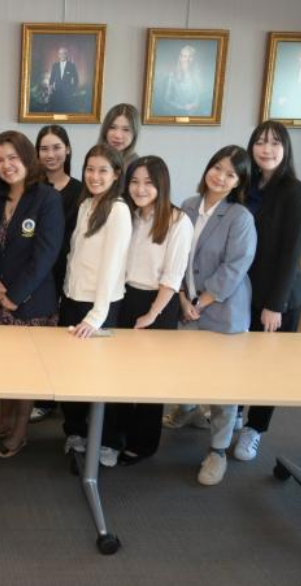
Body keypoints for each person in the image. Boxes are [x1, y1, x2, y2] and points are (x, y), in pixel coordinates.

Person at [167, 146, 257, 486]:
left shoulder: (240, 217)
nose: (220, 176)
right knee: (187, 367)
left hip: (222, 310)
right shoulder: (188, 205)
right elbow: (173, 254)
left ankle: (218, 450)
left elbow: (234, 268)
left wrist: (199, 302)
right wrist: (180, 298)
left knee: (222, 386)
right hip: (186, 302)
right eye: (217, 168)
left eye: (230, 174)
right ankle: (187, 408)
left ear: (239, 182)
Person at [0, 131, 64, 458]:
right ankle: (2, 421)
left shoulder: (47, 197)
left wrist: (15, 295)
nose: (6, 165)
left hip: (31, 302)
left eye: (13, 158)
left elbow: (46, 254)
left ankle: (19, 431)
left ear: (28, 158)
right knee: (2, 368)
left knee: (27, 371)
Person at [234, 121, 301, 462]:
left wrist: (274, 305)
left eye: (275, 143)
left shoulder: (294, 190)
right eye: (261, 142)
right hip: (245, 292)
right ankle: (234, 413)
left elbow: (292, 252)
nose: (267, 149)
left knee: (268, 367)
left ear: (286, 149)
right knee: (240, 360)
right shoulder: (247, 186)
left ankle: (255, 428)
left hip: (278, 299)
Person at [110, 156, 192, 465]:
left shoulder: (178, 220)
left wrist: (153, 314)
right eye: (134, 181)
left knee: (148, 378)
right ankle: (116, 434)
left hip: (158, 304)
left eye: (148, 182)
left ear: (161, 185)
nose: (140, 188)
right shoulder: (128, 216)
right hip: (125, 297)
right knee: (119, 373)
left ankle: (143, 443)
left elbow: (173, 275)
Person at [60, 144, 132, 467]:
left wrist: (96, 317)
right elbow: (76, 257)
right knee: (73, 375)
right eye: (90, 169)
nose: (95, 176)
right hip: (73, 300)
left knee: (102, 379)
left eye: (103, 170)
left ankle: (109, 441)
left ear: (116, 174)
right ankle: (75, 432)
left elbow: (112, 267)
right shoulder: (87, 203)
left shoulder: (118, 210)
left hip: (99, 308)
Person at [30, 125, 81, 422]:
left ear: (68, 150)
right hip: (37, 274)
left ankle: (64, 397)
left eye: (56, 147)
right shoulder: (31, 189)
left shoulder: (81, 189)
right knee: (40, 341)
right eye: (44, 149)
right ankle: (41, 399)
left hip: (70, 272)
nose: (50, 155)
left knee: (65, 339)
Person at [159, 45, 205, 116]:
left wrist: (195, 104)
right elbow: (166, 99)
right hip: (175, 113)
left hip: (193, 115)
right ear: (180, 58)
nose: (187, 59)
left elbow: (198, 96)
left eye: (190, 56)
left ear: (193, 59)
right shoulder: (172, 76)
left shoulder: (196, 76)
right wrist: (183, 107)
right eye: (184, 56)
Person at [98, 103, 140, 173]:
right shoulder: (94, 158)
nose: (117, 135)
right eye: (112, 127)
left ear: (134, 134)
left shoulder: (137, 167)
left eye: (126, 129)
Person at [47, 47, 78, 113]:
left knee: (66, 111)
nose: (62, 55)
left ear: (66, 55)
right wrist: (50, 88)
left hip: (67, 93)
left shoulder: (71, 65)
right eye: (60, 53)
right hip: (57, 92)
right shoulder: (55, 65)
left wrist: (72, 90)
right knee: (56, 110)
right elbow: (51, 78)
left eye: (64, 53)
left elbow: (76, 79)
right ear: (58, 55)